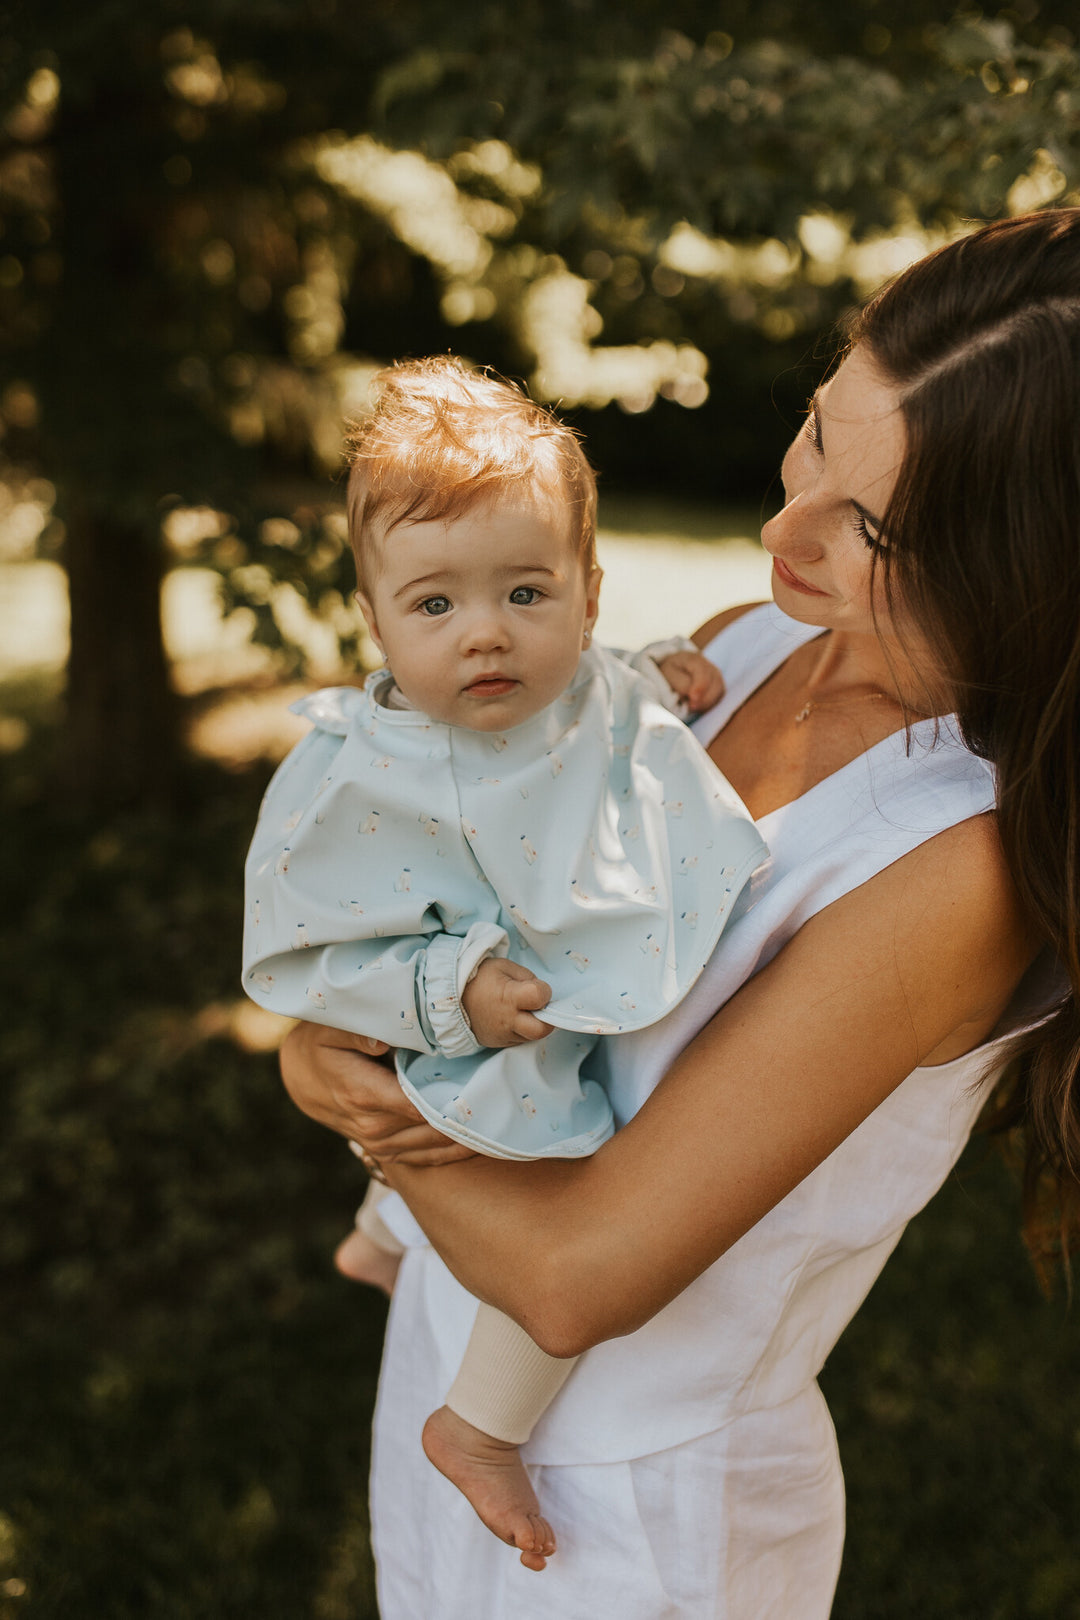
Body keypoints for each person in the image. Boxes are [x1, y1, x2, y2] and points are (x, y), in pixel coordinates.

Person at [278, 209, 1080, 1619]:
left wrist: (352, 1088)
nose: (784, 528)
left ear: (1031, 573)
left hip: (632, 1517)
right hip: (450, 1360)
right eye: (821, 436)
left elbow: (580, 1275)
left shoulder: (957, 865)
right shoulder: (757, 638)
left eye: (874, 525)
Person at [242, 356, 767, 1568]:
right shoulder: (358, 773)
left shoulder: (583, 676)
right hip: (477, 1005)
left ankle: (377, 1241)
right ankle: (480, 1428)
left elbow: (595, 698)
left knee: (492, 1094)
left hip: (549, 972)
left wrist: (659, 666)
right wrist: (448, 995)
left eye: (526, 592)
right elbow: (315, 955)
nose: (486, 634)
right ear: (372, 619)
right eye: (434, 608)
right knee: (555, 1150)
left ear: (588, 592)